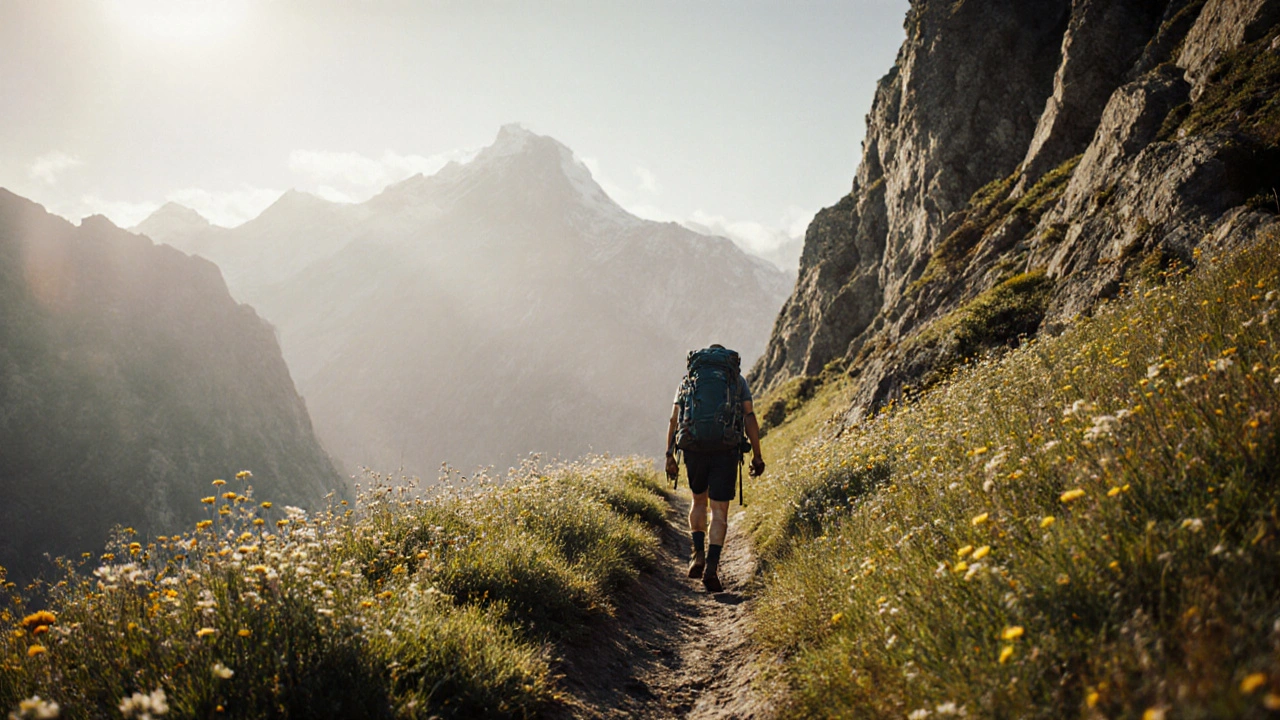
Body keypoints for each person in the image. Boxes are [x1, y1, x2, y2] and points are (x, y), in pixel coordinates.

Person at [665, 345, 765, 592]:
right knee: (719, 511)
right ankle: (712, 567)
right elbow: (749, 416)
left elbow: (674, 419)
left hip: (694, 448)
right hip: (726, 450)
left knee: (698, 501)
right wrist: (757, 455)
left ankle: (697, 553)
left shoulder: (688, 380)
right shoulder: (736, 380)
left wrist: (670, 455)